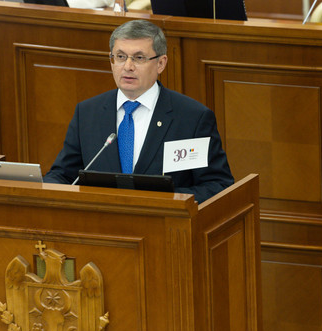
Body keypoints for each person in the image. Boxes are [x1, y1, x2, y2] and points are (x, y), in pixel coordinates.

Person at [44, 20, 234, 203]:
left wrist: (162, 200)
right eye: (120, 57)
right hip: (101, 225)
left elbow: (217, 186)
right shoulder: (87, 112)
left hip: (164, 227)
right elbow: (62, 175)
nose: (128, 66)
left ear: (161, 63)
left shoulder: (192, 118)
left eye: (139, 58)